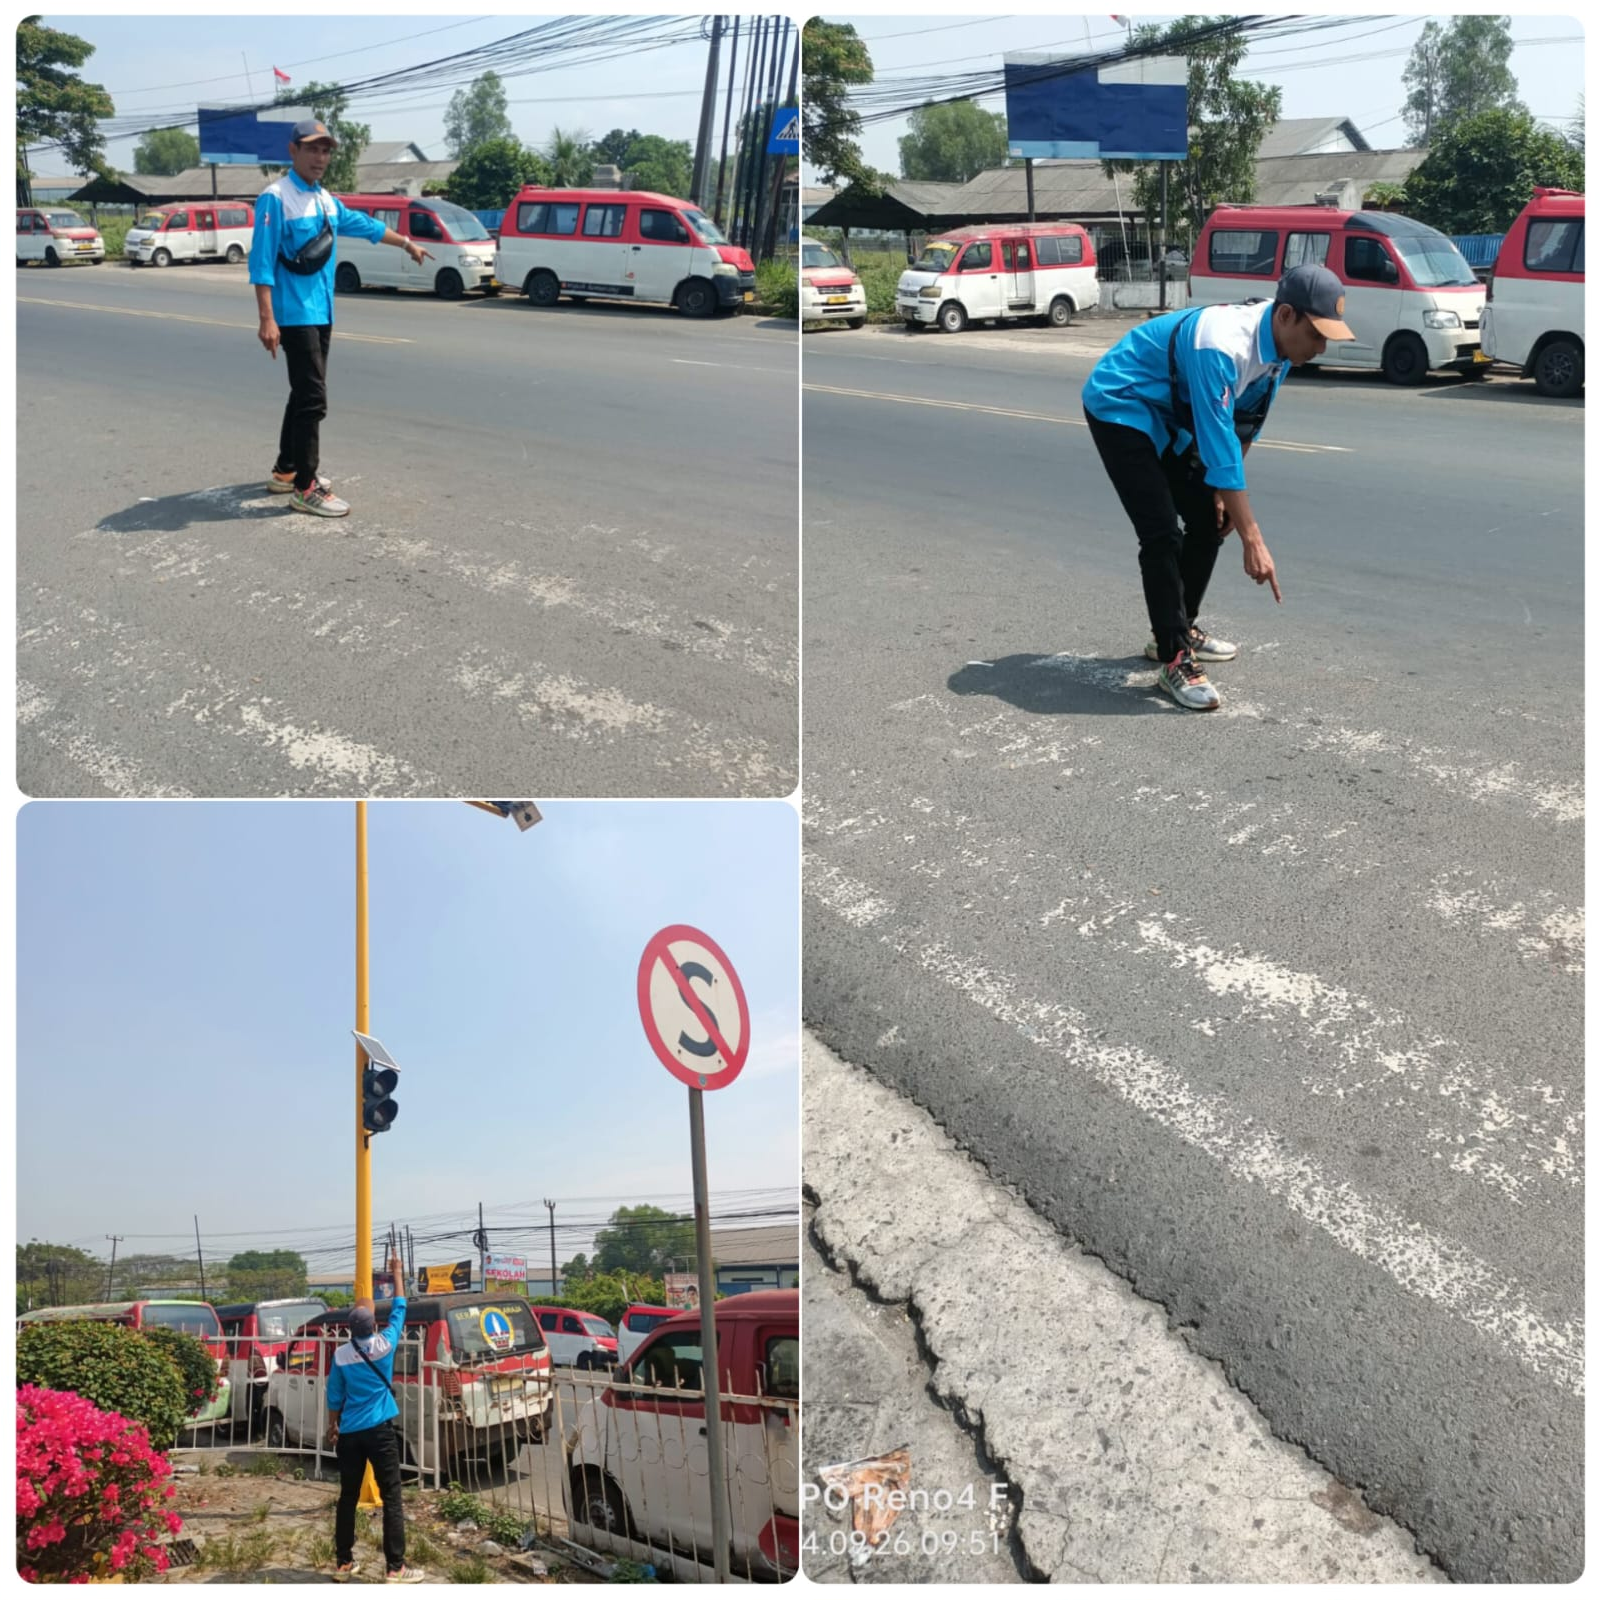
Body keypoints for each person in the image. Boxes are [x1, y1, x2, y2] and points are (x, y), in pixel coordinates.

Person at [1081, 262, 1354, 711]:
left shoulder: (1282, 351)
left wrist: (1220, 496)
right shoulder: (1223, 346)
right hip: (1121, 403)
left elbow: (1243, 424)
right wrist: (1255, 539)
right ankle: (1173, 657)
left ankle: (1179, 627)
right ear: (1286, 315)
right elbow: (1216, 441)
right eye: (1318, 334)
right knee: (1161, 531)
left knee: (1212, 517)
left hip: (1168, 412)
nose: (1321, 347)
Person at [248, 120, 433, 518]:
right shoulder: (275, 198)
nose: (321, 157)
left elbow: (362, 225)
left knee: (302, 394)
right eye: (313, 149)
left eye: (326, 150)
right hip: (294, 314)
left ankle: (286, 470)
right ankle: (305, 487)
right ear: (293, 151)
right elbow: (261, 261)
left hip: (321, 310)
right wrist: (267, 318)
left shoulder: (325, 200)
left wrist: (405, 242)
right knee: (313, 399)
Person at [325, 1254, 423, 1582]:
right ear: (373, 1326)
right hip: (380, 1431)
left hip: (350, 1434)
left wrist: (332, 1425)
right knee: (392, 1497)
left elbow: (334, 1396)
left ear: (350, 1329)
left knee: (347, 1497)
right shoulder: (385, 1344)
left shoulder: (340, 1354)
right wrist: (397, 1273)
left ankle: (343, 1563)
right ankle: (395, 1568)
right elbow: (400, 1308)